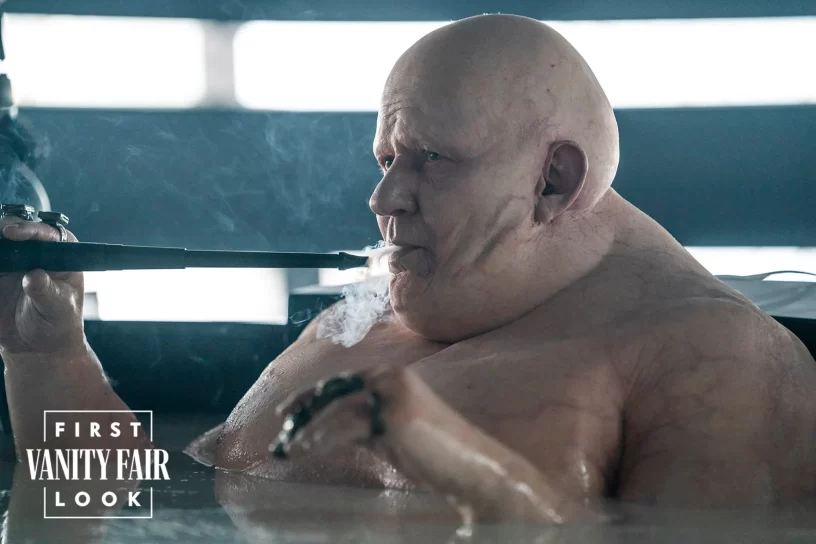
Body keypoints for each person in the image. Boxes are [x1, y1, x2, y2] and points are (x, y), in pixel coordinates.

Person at [2, 14, 815, 526]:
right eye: (387, 158)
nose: (383, 197)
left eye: (431, 158)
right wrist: (47, 357)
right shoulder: (356, 322)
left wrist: (456, 462)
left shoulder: (715, 357)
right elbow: (141, 507)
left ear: (554, 179)